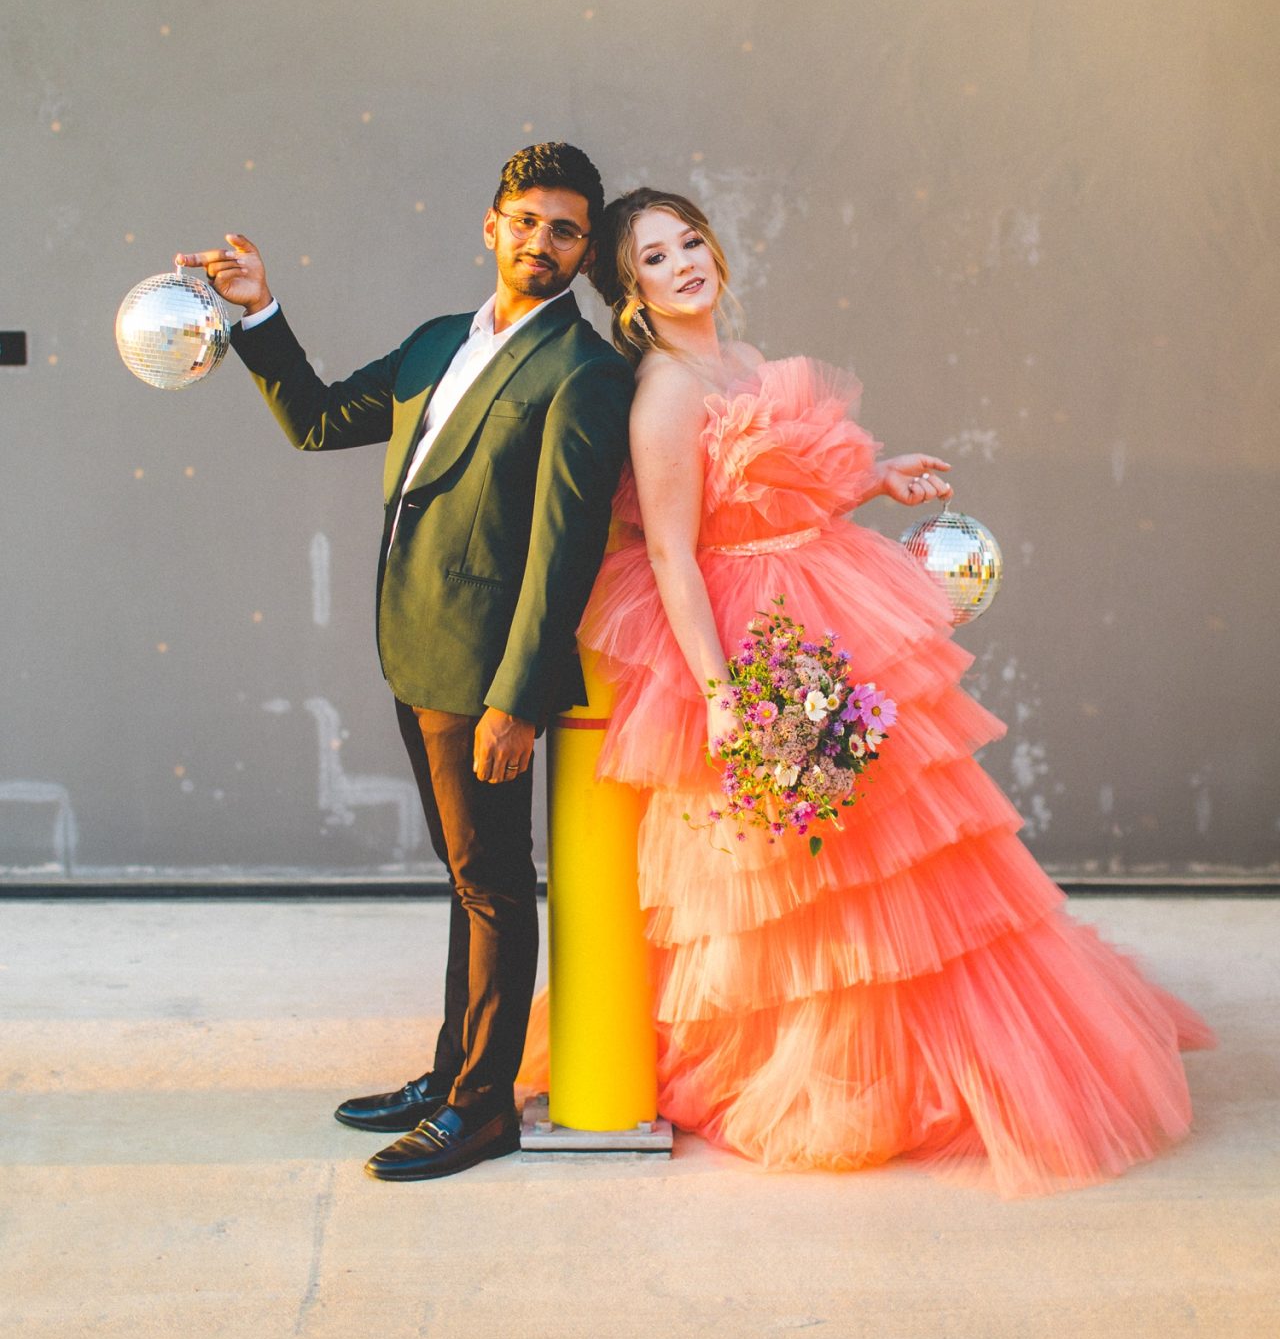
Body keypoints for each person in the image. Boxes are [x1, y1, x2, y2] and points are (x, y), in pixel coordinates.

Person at [548, 185, 1213, 1196]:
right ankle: (815, 1068)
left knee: (889, 843)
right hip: (748, 625)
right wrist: (721, 690)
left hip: (823, 587)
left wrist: (874, 476)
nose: (684, 263)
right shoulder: (666, 391)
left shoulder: (733, 361)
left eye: (690, 241)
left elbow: (771, 486)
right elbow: (676, 554)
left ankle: (923, 1047)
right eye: (654, 257)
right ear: (630, 291)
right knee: (797, 867)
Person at [177, 143, 632, 1182]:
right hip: (414, 648)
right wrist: (258, 314)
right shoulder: (437, 341)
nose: (541, 243)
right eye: (525, 221)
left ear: (584, 250)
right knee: (468, 880)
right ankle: (449, 1072)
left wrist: (517, 700)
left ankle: (482, 1108)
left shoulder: (587, 373)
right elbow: (320, 420)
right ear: (490, 225)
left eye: (564, 230)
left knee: (494, 885)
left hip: (485, 676)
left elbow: (562, 554)